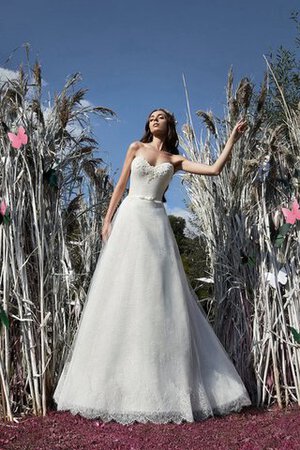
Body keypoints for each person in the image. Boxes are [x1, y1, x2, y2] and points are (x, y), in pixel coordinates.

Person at [53, 108, 251, 424]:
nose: (154, 119)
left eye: (160, 116)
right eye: (151, 117)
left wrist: (232, 138)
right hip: (131, 219)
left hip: (157, 224)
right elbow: (120, 185)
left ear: (168, 124)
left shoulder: (175, 160)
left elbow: (214, 169)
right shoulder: (136, 148)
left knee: (159, 297)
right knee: (122, 290)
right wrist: (107, 219)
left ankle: (165, 381)